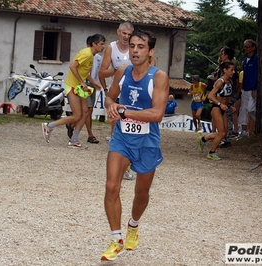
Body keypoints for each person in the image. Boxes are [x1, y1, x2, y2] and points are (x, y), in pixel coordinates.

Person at [101, 29, 169, 261]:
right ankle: (116, 239)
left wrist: (124, 111)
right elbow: (110, 97)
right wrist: (111, 105)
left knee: (141, 193)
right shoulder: (121, 71)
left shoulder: (159, 76)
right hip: (121, 138)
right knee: (112, 186)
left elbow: (157, 113)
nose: (135, 51)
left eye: (141, 47)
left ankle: (133, 224)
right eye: (132, 46)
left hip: (147, 140)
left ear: (150, 51)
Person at [41, 34, 106, 148]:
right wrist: (82, 82)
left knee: (85, 113)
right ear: (94, 44)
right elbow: (72, 66)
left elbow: (83, 72)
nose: (103, 46)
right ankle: (49, 126)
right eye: (101, 44)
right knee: (77, 115)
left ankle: (74, 140)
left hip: (79, 88)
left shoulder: (91, 55)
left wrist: (93, 82)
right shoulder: (87, 54)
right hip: (73, 86)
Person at [99, 21, 134, 141]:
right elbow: (102, 72)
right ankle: (115, 139)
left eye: (129, 34)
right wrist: (117, 70)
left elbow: (151, 63)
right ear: (118, 32)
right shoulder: (111, 47)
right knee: (115, 114)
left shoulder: (134, 47)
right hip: (116, 88)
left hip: (133, 88)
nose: (126, 37)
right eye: (124, 33)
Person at [197, 61, 236, 160]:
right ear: (225, 70)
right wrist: (220, 104)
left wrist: (230, 105)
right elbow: (210, 95)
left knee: (224, 133)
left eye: (234, 70)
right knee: (222, 133)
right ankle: (211, 152)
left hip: (223, 108)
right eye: (231, 70)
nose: (233, 72)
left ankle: (203, 139)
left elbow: (225, 97)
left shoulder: (230, 82)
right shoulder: (220, 82)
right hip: (216, 108)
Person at [238, 39, 258, 139]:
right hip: (245, 89)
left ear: (253, 48)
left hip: (253, 88)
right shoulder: (245, 60)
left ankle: (255, 128)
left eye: (248, 46)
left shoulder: (257, 59)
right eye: (245, 47)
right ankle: (243, 131)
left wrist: (255, 88)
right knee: (243, 110)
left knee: (251, 109)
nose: (245, 49)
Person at [85, 36, 103, 144]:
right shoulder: (84, 55)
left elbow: (100, 72)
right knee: (88, 109)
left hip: (92, 85)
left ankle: (71, 125)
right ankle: (90, 134)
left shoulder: (99, 58)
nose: (103, 47)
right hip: (84, 85)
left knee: (88, 111)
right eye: (100, 44)